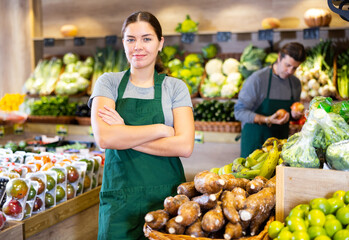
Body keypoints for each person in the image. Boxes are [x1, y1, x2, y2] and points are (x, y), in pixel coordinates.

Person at [88, 11, 195, 239]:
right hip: (119, 201)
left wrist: (124, 133)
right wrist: (161, 130)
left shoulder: (175, 88)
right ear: (124, 43)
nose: (138, 46)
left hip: (166, 201)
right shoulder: (108, 83)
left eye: (146, 39)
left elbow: (185, 146)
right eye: (131, 39)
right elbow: (105, 139)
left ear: (160, 43)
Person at [235, 42, 306, 158]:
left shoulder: (295, 83)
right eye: (287, 65)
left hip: (280, 145)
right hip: (255, 144)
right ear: (279, 57)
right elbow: (239, 112)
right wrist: (266, 119)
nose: (290, 71)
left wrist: (295, 115)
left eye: (295, 68)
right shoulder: (257, 80)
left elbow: (293, 111)